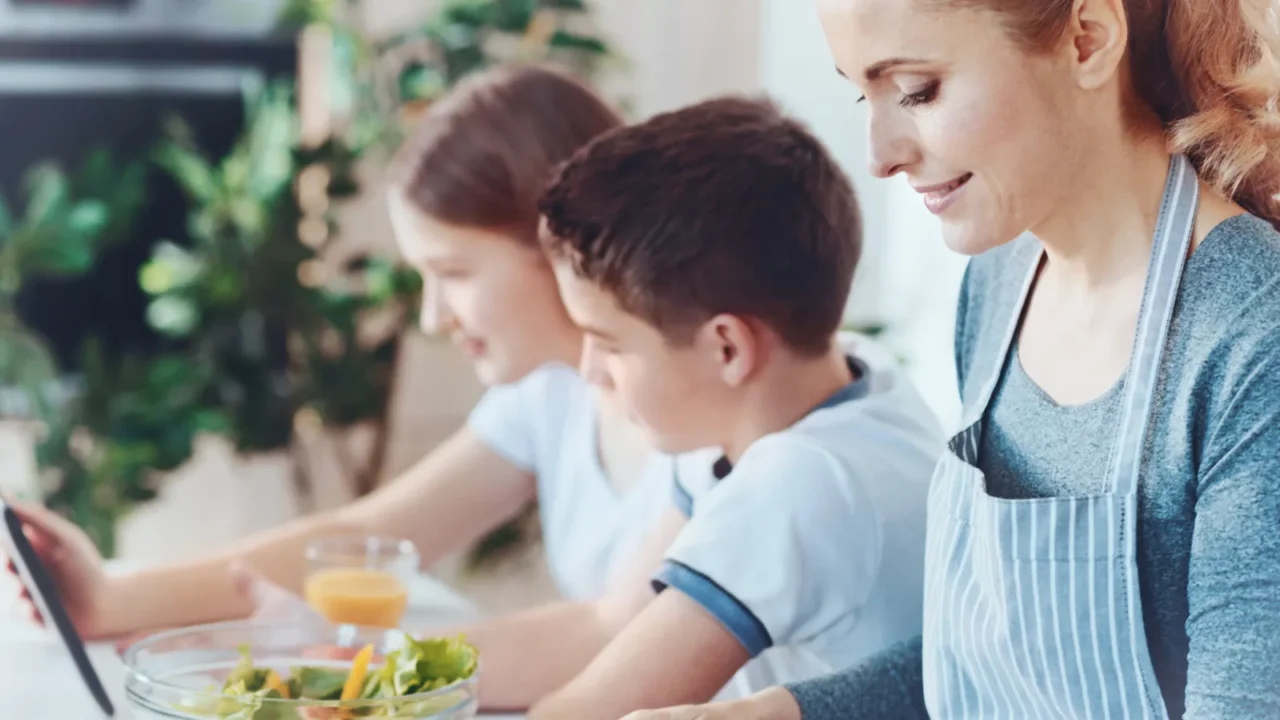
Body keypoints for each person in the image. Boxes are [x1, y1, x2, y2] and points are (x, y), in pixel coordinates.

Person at [624, 0, 1280, 718]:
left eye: (915, 91)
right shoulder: (1000, 283)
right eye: (860, 92)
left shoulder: (1253, 336)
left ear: (1088, 39)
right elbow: (987, 670)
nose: (878, 155)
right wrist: (767, 713)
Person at [0, 64, 709, 710]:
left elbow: (608, 633)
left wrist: (347, 660)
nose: (434, 316)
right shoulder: (549, 397)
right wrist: (113, 598)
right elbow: (371, 535)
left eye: (454, 273)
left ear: (559, 245)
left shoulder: (698, 418)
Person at [520, 95, 943, 720]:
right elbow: (616, 625)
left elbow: (590, 711)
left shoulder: (800, 480)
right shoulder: (853, 381)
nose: (589, 371)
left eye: (608, 344)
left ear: (726, 347)